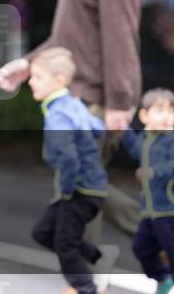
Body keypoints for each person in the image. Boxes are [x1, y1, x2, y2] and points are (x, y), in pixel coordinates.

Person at [0, 0, 145, 290]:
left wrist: (118, 103)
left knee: (80, 192)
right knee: (81, 190)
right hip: (80, 93)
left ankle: (89, 277)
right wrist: (28, 64)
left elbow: (121, 39)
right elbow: (68, 38)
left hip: (96, 96)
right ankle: (136, 247)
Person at [28, 47, 107, 294]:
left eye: (38, 77)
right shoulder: (74, 103)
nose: (31, 82)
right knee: (42, 232)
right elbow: (98, 128)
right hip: (92, 187)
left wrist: (67, 190)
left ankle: (86, 288)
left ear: (59, 81)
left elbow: (70, 159)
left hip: (79, 191)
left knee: (65, 248)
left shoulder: (58, 115)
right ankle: (92, 255)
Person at [120, 88, 174, 294]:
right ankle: (163, 278)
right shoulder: (145, 140)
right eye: (159, 111)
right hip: (151, 213)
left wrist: (152, 172)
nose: (166, 117)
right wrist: (122, 127)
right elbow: (134, 147)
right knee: (141, 248)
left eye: (171, 112)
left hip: (172, 213)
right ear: (144, 116)